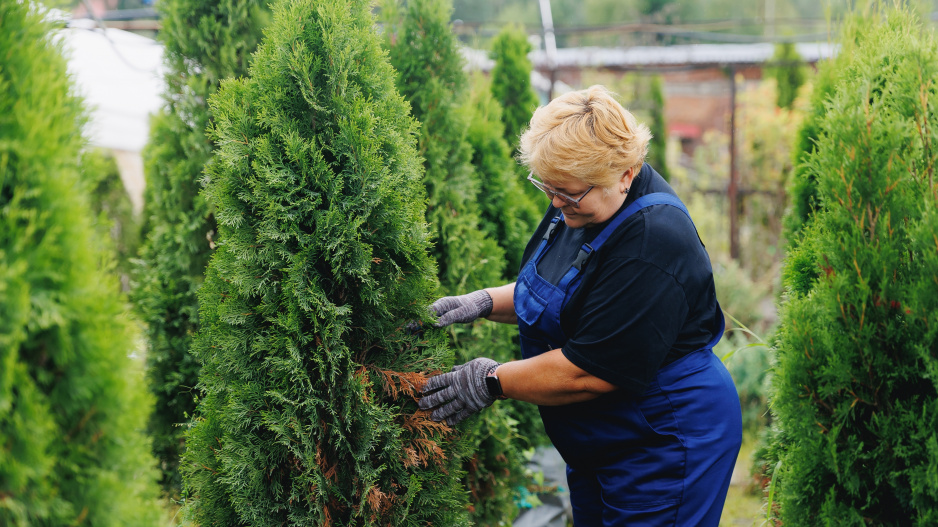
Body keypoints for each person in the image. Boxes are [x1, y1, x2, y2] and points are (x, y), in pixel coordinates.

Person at [418, 85, 742, 526]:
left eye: (567, 194)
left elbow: (589, 371)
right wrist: (482, 301)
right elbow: (565, 294)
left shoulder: (653, 241)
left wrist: (491, 381)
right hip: (600, 438)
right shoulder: (581, 199)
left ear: (625, 173)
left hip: (663, 437)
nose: (555, 203)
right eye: (547, 188)